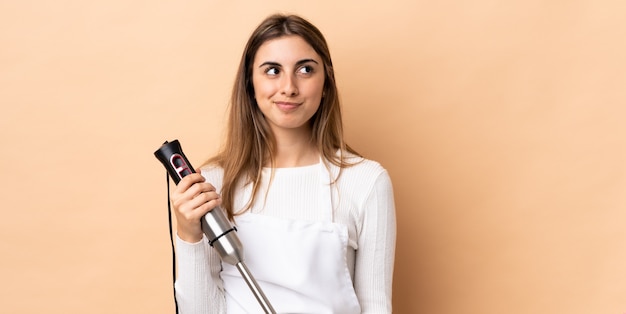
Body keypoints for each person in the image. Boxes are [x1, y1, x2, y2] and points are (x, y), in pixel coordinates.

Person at [170, 13, 396, 314]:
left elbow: (375, 306)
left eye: (305, 69)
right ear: (250, 84)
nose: (289, 87)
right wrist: (189, 235)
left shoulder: (366, 182)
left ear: (326, 82)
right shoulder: (212, 185)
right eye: (272, 70)